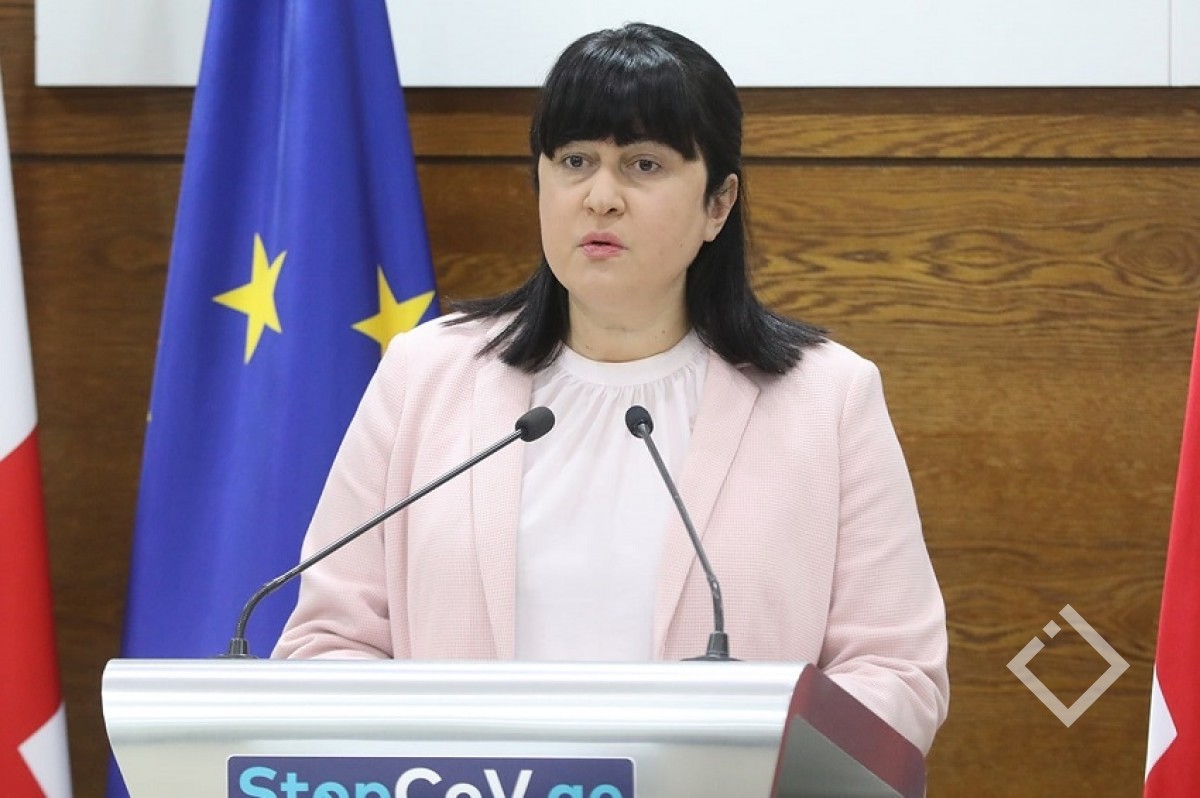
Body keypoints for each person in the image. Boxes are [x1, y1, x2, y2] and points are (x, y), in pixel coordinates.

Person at [273, 22, 949, 754]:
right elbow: (328, 641)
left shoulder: (827, 398)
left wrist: (754, 762)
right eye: (574, 161)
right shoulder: (425, 375)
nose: (601, 197)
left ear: (718, 204)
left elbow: (895, 671)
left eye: (644, 164)